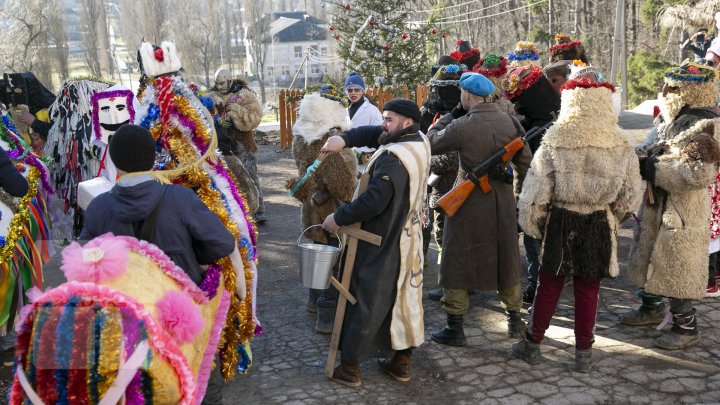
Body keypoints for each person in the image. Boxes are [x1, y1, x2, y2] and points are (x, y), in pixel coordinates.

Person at [80, 124, 236, 403]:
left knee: (137, 389)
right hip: (180, 316)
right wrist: (188, 256)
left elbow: (84, 263)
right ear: (153, 158)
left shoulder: (99, 207)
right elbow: (223, 244)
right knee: (198, 379)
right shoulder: (180, 198)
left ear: (114, 161)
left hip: (126, 321)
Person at [511, 67, 642, 373]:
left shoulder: (556, 136)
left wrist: (534, 224)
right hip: (598, 219)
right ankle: (583, 353)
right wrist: (612, 217)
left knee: (549, 284)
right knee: (588, 288)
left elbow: (536, 191)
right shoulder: (620, 140)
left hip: (561, 220)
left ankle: (532, 344)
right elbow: (630, 194)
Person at [320, 98, 429, 387]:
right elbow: (375, 135)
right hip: (407, 236)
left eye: (389, 119)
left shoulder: (395, 159)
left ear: (406, 123)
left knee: (366, 298)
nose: (383, 123)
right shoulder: (418, 140)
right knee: (404, 299)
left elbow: (373, 201)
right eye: (384, 117)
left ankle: (351, 368)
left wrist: (339, 218)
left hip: (382, 239)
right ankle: (401, 362)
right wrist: (343, 139)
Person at [426, 72, 532, 346]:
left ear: (466, 95)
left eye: (462, 94)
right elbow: (526, 165)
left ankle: (455, 326)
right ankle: (514, 320)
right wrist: (518, 198)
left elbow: (431, 141)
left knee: (457, 260)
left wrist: (451, 114)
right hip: (503, 204)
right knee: (507, 259)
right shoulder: (510, 122)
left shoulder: (462, 125)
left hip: (467, 204)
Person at [621, 62, 720, 350]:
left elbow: (697, 175)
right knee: (649, 255)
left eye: (672, 88)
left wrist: (653, 168)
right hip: (658, 204)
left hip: (683, 210)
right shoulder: (673, 121)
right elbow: (660, 149)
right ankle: (651, 308)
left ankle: (686, 327)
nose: (665, 93)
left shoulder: (704, 128)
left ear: (689, 92)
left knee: (677, 265)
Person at [287, 88, 357, 333]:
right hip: (330, 210)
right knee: (330, 258)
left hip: (311, 205)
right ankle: (326, 318)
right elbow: (344, 187)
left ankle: (313, 302)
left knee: (317, 253)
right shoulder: (331, 140)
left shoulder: (302, 134)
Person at [502, 65, 561, 304]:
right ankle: (542, 287)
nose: (517, 107)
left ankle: (538, 290)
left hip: (538, 196)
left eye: (520, 101)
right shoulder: (547, 119)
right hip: (549, 196)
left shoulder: (540, 128)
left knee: (535, 244)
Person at [419, 61, 461, 292]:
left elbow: (449, 158)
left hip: (450, 185)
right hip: (433, 186)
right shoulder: (428, 113)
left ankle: (450, 284)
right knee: (433, 227)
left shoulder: (460, 118)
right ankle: (443, 277)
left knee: (446, 234)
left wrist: (426, 162)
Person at [209, 68, 266, 223]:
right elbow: (204, 116)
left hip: (243, 143)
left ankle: (259, 209)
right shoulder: (211, 96)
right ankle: (238, 211)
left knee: (250, 175)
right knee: (230, 178)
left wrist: (234, 113)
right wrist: (217, 122)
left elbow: (255, 117)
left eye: (223, 83)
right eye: (217, 83)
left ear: (229, 80)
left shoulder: (245, 95)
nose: (220, 87)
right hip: (222, 144)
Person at [344, 72, 383, 163]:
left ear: (362, 91)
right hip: (349, 160)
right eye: (350, 90)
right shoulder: (344, 111)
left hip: (368, 160)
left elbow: (380, 135)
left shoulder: (372, 110)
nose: (353, 93)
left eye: (357, 90)